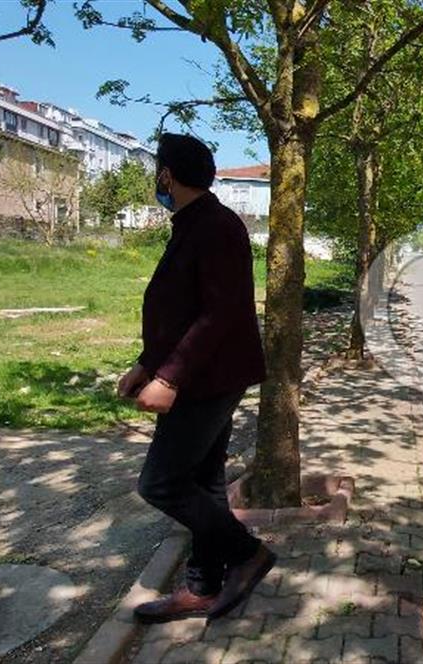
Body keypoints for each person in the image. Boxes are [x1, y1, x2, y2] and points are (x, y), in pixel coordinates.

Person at [117, 133, 273, 624]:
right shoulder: (192, 224)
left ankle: (246, 554)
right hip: (203, 376)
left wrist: (170, 377)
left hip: (208, 380)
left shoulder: (217, 226)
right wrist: (148, 364)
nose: (156, 179)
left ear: (168, 174)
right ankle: (202, 587)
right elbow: (180, 308)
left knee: (160, 483)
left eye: (158, 170)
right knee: (205, 485)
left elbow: (219, 314)